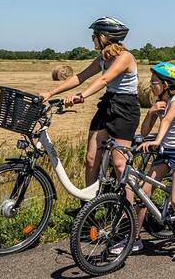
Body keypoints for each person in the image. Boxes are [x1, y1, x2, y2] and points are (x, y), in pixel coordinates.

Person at [39, 17, 140, 212]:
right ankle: (88, 210)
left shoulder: (125, 57)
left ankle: (129, 215)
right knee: (91, 159)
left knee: (119, 164)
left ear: (104, 37)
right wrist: (51, 93)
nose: (92, 39)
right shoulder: (103, 58)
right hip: (108, 104)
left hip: (125, 108)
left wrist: (81, 96)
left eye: (94, 35)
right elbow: (80, 76)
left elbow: (104, 80)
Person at [114, 62, 175, 260]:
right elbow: (144, 131)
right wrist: (151, 112)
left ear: (166, 85)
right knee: (143, 194)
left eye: (154, 82)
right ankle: (134, 240)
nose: (151, 85)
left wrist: (156, 141)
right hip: (165, 152)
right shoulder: (160, 103)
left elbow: (167, 121)